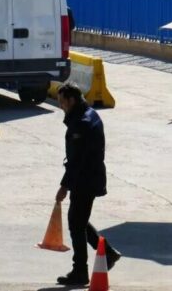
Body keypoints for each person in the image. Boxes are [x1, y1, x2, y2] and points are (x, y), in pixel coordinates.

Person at [55, 82, 121, 286]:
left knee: (76, 222)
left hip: (85, 179)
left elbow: (77, 161)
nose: (60, 106)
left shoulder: (80, 124)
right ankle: (108, 253)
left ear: (71, 100)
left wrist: (64, 186)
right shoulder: (90, 114)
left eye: (62, 102)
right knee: (79, 220)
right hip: (90, 177)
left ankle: (80, 271)